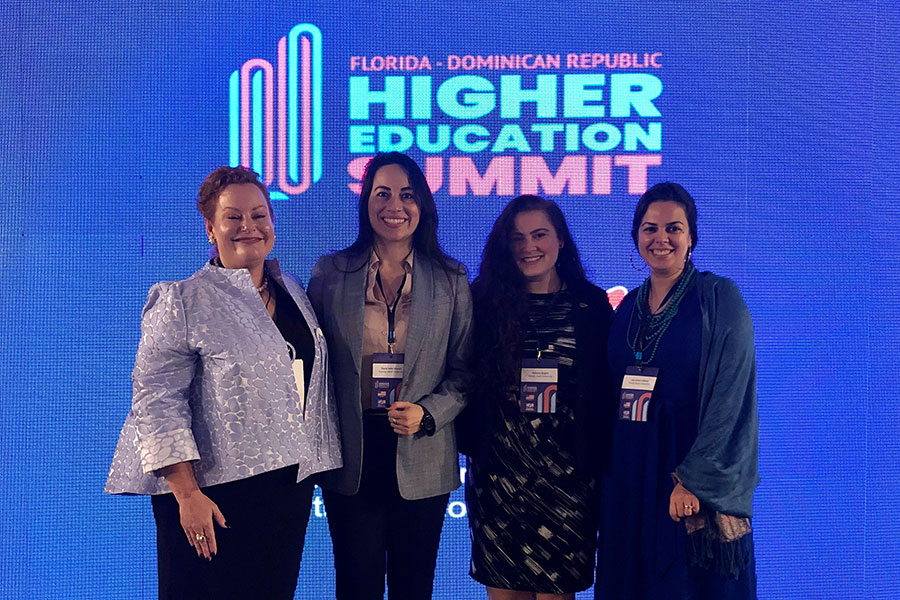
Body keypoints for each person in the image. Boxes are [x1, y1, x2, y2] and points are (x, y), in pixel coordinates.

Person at [105, 166, 341, 600]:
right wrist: (186, 494)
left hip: (285, 491)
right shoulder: (181, 299)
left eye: (260, 215)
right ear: (210, 228)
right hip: (210, 494)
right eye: (233, 217)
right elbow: (155, 403)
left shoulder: (292, 291)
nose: (249, 226)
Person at [307, 152, 472, 600]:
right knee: (355, 586)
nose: (394, 205)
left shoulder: (451, 278)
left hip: (422, 450)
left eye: (407, 194)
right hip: (352, 454)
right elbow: (311, 368)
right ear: (366, 202)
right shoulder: (331, 273)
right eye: (382, 194)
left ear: (423, 204)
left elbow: (464, 371)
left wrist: (428, 412)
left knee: (413, 587)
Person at [595, 182, 759, 599]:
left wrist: (693, 480)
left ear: (691, 238)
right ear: (636, 236)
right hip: (630, 476)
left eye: (674, 228)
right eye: (649, 228)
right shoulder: (628, 306)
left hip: (685, 479)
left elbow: (731, 398)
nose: (660, 239)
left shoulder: (718, 298)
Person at [459, 194, 612, 600]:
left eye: (540, 235)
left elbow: (605, 391)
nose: (529, 247)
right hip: (499, 478)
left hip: (568, 480)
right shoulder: (483, 303)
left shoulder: (592, 305)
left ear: (560, 240)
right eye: (518, 238)